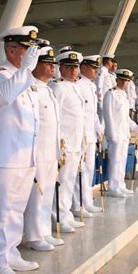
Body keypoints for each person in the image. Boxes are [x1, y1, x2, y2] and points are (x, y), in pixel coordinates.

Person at [0, 26, 41, 274]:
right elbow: (5, 97)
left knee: (16, 209)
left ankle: (11, 253)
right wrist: (26, 69)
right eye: (27, 50)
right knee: (0, 211)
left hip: (24, 156)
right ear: (11, 49)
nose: (31, 56)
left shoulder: (27, 81)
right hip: (2, 157)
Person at [23, 46, 64, 252]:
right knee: (36, 195)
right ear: (36, 65)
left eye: (52, 64)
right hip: (37, 152)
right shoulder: (31, 88)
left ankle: (45, 231)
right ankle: (33, 235)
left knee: (47, 193)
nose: (52, 67)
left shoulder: (48, 89)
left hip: (51, 150)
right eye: (47, 64)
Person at [49, 51, 86, 233]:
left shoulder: (75, 87)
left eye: (76, 67)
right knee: (62, 182)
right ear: (61, 68)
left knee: (70, 181)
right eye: (69, 67)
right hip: (65, 143)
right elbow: (54, 118)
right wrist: (58, 143)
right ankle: (58, 217)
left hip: (76, 141)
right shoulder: (58, 87)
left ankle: (67, 214)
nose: (73, 71)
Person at [103, 69, 138, 198]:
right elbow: (108, 116)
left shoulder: (124, 96)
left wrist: (134, 126)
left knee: (122, 160)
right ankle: (113, 187)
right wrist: (111, 134)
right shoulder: (110, 94)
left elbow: (125, 117)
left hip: (124, 133)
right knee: (115, 161)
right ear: (117, 80)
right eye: (123, 80)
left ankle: (120, 185)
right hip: (116, 134)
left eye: (127, 81)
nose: (125, 83)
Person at [73, 55, 103, 216]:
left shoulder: (91, 86)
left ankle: (87, 201)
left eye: (97, 68)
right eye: (93, 68)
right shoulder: (78, 84)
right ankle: (79, 204)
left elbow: (93, 113)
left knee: (89, 169)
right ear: (83, 67)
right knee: (81, 170)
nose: (96, 71)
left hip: (91, 134)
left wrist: (99, 129)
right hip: (81, 135)